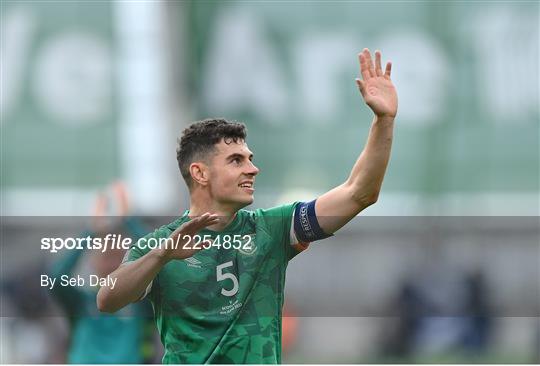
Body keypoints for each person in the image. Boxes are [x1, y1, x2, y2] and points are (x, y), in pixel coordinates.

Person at [97, 48, 398, 363]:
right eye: (236, 161)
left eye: (250, 160)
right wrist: (161, 256)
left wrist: (384, 121)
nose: (252, 169)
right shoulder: (161, 243)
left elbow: (359, 193)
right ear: (200, 173)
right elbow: (107, 300)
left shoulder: (272, 229)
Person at [50, 183, 157, 363]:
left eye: (117, 256)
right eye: (106, 256)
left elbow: (161, 255)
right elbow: (57, 278)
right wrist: (91, 230)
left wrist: (129, 220)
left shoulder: (143, 302)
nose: (112, 264)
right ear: (93, 262)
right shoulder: (81, 302)